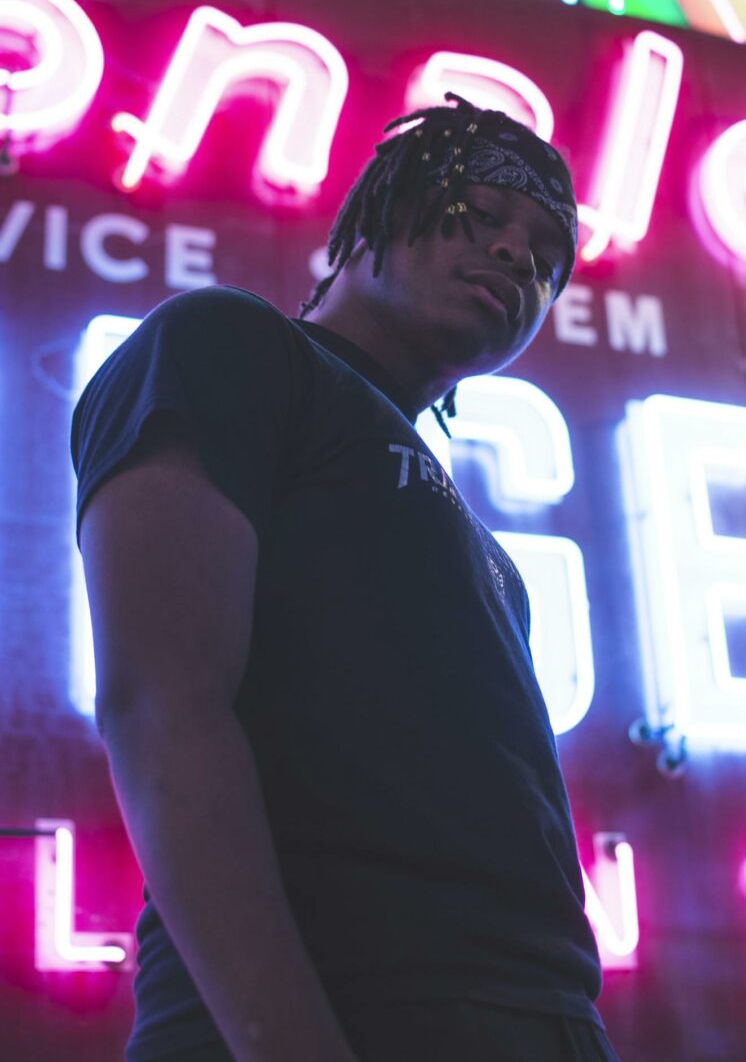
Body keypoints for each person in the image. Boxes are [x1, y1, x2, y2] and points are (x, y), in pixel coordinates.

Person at [71, 94, 621, 1062]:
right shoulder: (226, 347)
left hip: (538, 1017)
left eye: (543, 256)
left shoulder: (489, 560)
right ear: (375, 214)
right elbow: (163, 709)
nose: (514, 258)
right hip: (340, 1006)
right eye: (483, 217)